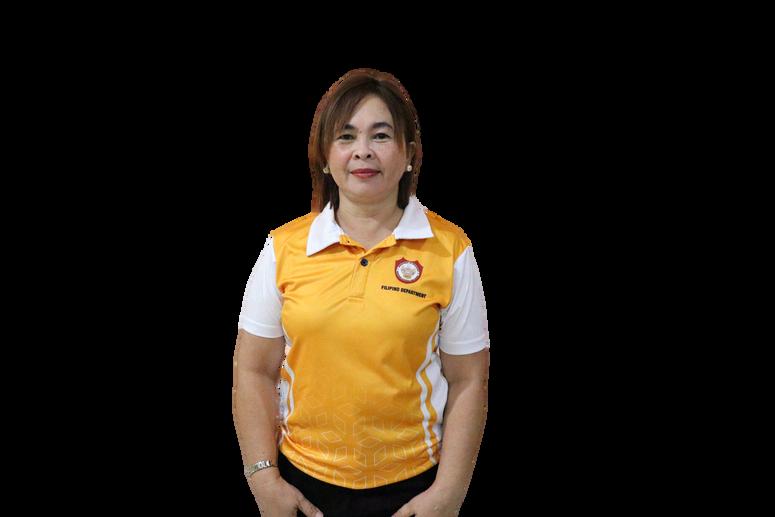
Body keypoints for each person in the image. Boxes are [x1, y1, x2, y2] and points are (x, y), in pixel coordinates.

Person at [233, 68, 490, 517]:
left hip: (415, 488)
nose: (363, 151)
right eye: (346, 136)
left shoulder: (450, 249)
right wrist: (263, 479)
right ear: (325, 156)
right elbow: (254, 369)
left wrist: (448, 494)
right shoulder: (283, 248)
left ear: (409, 153)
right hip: (302, 483)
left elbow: (469, 379)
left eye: (381, 135)